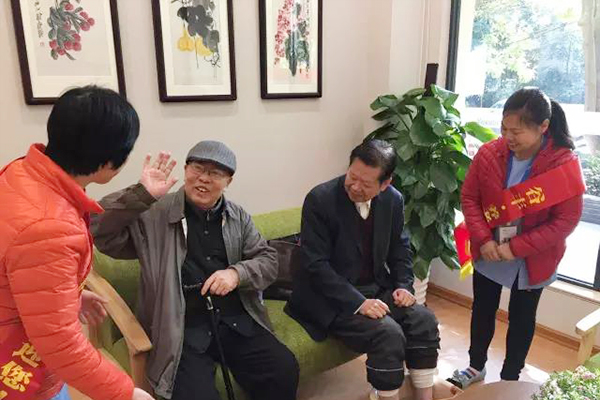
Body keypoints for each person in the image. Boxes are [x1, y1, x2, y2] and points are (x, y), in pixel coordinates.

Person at [90, 141, 299, 400]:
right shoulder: (154, 213)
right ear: (186, 169)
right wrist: (141, 195)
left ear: (228, 181)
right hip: (180, 328)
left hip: (234, 320)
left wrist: (236, 274)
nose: (204, 178)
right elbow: (97, 228)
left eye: (215, 173)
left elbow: (267, 260)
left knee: (283, 369)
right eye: (197, 168)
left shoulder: (238, 217)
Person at [0, 86, 153, 400]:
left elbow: (21, 265)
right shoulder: (49, 227)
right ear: (109, 163)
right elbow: (61, 346)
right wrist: (126, 393)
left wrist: (67, 294)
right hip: (18, 369)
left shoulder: (22, 173)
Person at [449, 88, 585, 388]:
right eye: (504, 129)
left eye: (517, 131)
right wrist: (484, 239)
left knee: (522, 318)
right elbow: (470, 197)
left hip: (533, 255)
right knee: (482, 307)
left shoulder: (563, 165)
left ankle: (510, 378)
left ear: (543, 127)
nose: (508, 137)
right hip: (490, 246)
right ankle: (475, 366)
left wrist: (517, 248)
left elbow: (565, 221)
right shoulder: (489, 153)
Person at [286, 140, 440, 400]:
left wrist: (404, 286)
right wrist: (359, 303)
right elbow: (315, 265)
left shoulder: (393, 200)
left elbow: (400, 249)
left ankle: (425, 397)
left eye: (366, 184)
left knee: (423, 320)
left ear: (385, 183)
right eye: (352, 177)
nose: (355, 187)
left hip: (374, 288)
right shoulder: (320, 200)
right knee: (388, 333)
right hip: (328, 298)